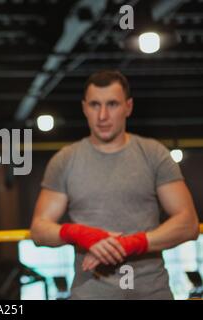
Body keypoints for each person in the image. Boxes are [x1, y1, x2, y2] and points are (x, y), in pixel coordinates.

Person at [30, 70, 199, 299]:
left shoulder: (153, 153)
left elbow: (188, 223)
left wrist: (133, 243)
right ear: (84, 108)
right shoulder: (65, 160)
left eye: (112, 104)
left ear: (128, 107)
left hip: (150, 293)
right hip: (90, 294)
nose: (102, 115)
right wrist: (79, 233)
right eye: (94, 105)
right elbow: (39, 229)